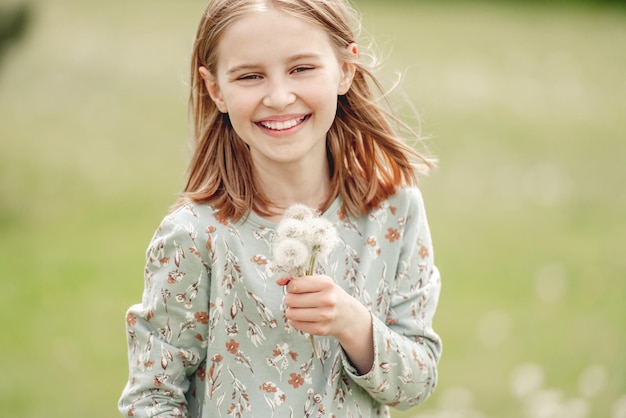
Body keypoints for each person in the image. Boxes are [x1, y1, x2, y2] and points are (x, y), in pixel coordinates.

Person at [118, 0, 442, 417]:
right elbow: (151, 399)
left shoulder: (393, 210)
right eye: (250, 76)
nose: (279, 96)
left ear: (346, 68)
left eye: (301, 69)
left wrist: (352, 323)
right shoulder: (194, 235)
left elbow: (416, 384)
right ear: (216, 88)